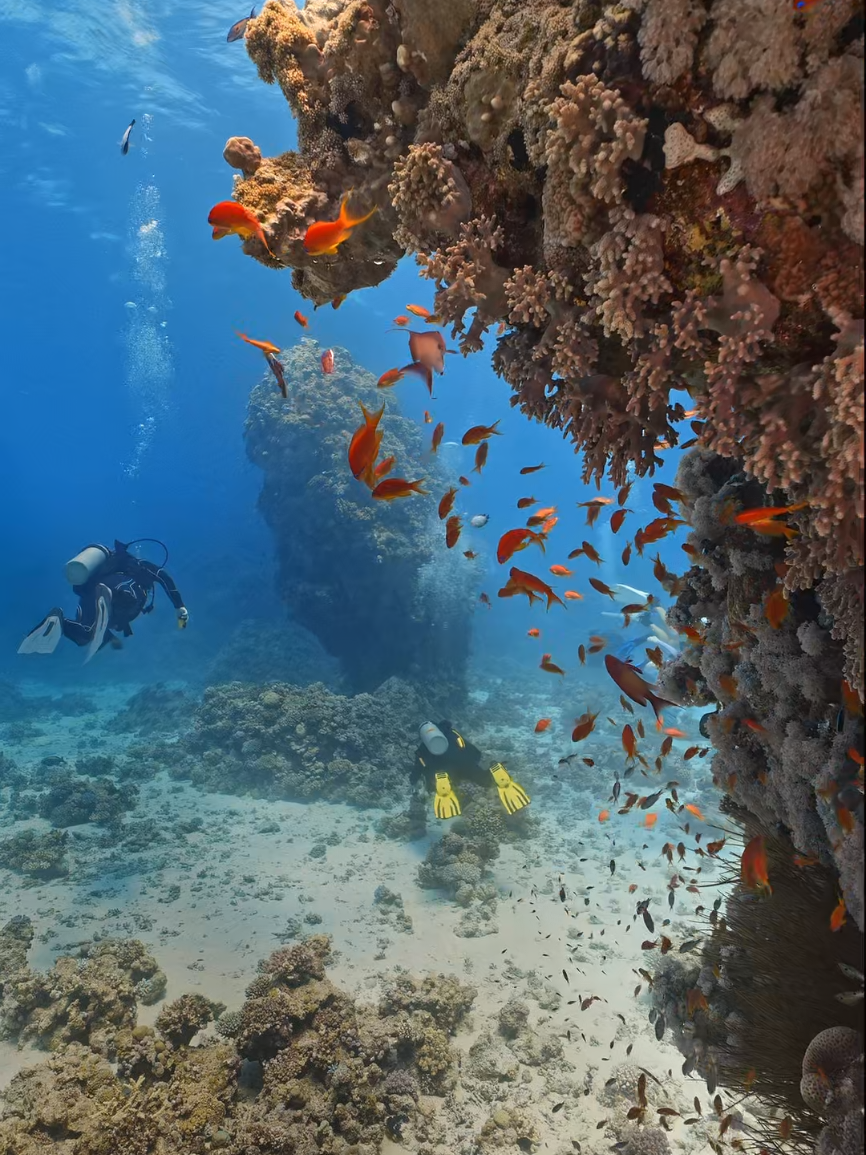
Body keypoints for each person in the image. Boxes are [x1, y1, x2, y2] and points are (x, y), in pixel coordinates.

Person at [18, 539, 188, 663]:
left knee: (85, 636)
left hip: (91, 594)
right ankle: (115, 594)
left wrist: (112, 640)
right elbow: (164, 577)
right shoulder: (139, 565)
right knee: (128, 600)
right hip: (121, 589)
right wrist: (179, 607)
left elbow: (103, 625)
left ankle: (59, 619)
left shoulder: (107, 613)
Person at [411, 720, 530, 820]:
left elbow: (419, 770)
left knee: (438, 783)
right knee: (485, 782)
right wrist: (473, 762)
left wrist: (417, 781)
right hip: (465, 763)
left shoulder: (422, 748)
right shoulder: (451, 733)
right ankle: (496, 769)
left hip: (445, 772)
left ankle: (443, 782)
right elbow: (472, 751)